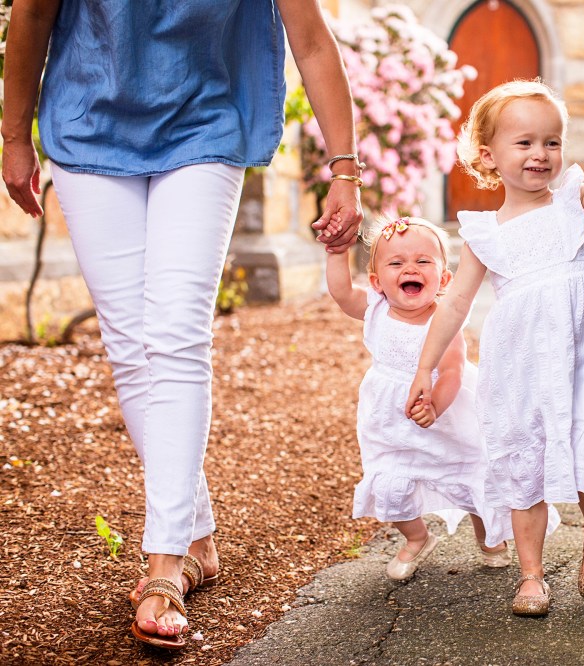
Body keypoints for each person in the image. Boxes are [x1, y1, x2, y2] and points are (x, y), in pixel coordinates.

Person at [1, 0, 363, 651]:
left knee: (174, 335)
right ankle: (197, 534)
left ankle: (165, 565)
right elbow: (30, 13)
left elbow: (310, 39)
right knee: (131, 344)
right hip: (88, 125)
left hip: (204, 125)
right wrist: (15, 135)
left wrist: (345, 170)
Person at [405, 79, 584, 616]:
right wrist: (425, 367)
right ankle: (531, 575)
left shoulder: (574, 200)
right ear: (488, 155)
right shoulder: (485, 233)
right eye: (525, 142)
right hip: (522, 364)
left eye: (551, 142)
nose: (541, 154)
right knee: (523, 458)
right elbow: (455, 303)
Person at [322, 215, 513, 579]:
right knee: (391, 484)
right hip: (389, 420)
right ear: (377, 282)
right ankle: (417, 537)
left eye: (423, 261)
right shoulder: (375, 309)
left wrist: (436, 405)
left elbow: (454, 370)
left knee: (470, 474)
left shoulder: (445, 318)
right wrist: (336, 252)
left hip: (448, 417)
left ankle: (489, 535)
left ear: (444, 278)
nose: (411, 268)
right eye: (397, 263)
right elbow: (342, 293)